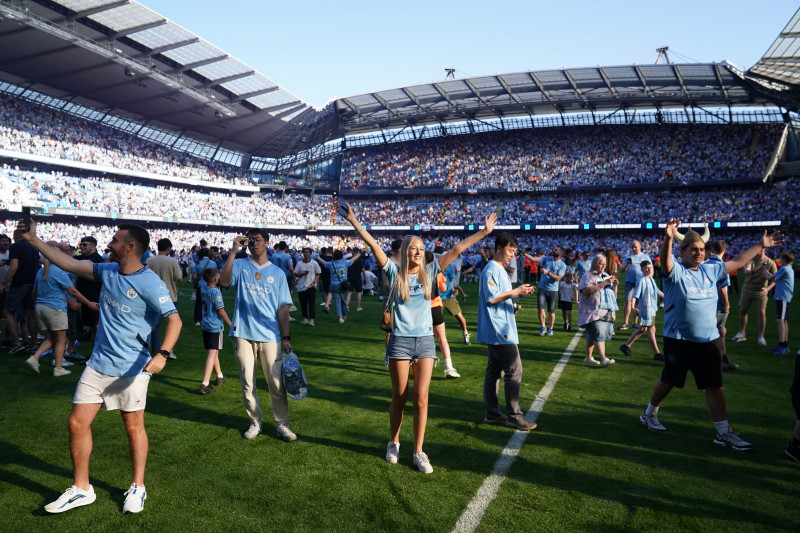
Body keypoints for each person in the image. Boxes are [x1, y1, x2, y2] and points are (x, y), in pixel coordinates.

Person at [21, 220, 181, 514]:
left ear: (130, 247)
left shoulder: (150, 282)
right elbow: (68, 262)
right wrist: (33, 239)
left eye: (116, 240)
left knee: (133, 428)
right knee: (76, 423)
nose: (110, 244)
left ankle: (138, 486)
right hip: (97, 364)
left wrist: (162, 353)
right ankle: (82, 489)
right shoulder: (106, 271)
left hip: (132, 369)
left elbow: (175, 320)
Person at [341, 202, 495, 474]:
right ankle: (394, 442)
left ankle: (418, 452)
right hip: (400, 341)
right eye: (414, 248)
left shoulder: (431, 272)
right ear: (405, 252)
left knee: (421, 399)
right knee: (399, 397)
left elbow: (458, 249)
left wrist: (484, 232)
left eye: (421, 249)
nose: (418, 251)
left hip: (425, 342)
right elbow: (373, 245)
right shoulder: (394, 272)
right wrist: (353, 220)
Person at [639, 219, 781, 452]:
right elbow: (665, 261)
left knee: (715, 385)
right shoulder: (675, 271)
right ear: (682, 251)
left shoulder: (711, 268)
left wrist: (759, 245)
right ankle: (649, 413)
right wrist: (668, 237)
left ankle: (723, 433)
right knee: (669, 380)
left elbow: (737, 261)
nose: (698, 252)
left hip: (709, 340)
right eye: (693, 249)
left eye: (702, 249)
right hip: (680, 339)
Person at [220, 228, 297, 442]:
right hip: (243, 332)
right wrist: (233, 252)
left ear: (267, 243)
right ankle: (255, 422)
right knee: (247, 382)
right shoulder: (240, 264)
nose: (254, 243)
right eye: (250, 240)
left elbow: (283, 308)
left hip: (270, 335)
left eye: (258, 240)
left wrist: (286, 337)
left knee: (276, 382)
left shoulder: (278, 273)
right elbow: (224, 283)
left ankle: (282, 424)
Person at [479, 232, 538, 431]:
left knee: (494, 372)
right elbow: (492, 298)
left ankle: (492, 413)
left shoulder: (501, 270)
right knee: (514, 370)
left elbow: (503, 298)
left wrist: (518, 297)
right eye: (509, 250)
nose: (512, 254)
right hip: (499, 329)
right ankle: (514, 415)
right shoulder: (491, 269)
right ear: (498, 248)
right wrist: (516, 291)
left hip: (501, 326)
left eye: (514, 251)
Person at [24, 244, 98, 376]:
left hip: (41, 307)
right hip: (55, 308)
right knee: (61, 339)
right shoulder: (58, 271)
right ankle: (57, 368)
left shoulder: (40, 271)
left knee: (52, 338)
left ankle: (35, 359)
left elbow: (34, 291)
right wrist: (89, 303)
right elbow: (72, 291)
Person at [1, 228, 41, 353]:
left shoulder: (15, 247)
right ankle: (33, 343)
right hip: (32, 283)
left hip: (19, 283)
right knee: (30, 313)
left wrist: (4, 283)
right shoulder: (33, 247)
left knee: (8, 311)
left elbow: (15, 267)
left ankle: (16, 342)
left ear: (15, 236)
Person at [731, 244, 777, 346]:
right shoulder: (751, 260)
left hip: (761, 289)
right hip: (748, 288)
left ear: (763, 250)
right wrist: (754, 271)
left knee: (761, 313)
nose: (758, 252)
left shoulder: (770, 262)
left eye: (760, 250)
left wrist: (767, 289)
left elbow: (775, 280)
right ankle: (741, 333)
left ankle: (761, 337)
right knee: (743, 310)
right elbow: (746, 271)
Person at [577, 254, 617, 367]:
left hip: (604, 310)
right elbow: (586, 290)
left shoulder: (605, 275)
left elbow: (611, 293)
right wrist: (604, 284)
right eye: (601, 264)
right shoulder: (588, 276)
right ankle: (603, 358)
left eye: (605, 264)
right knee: (598, 333)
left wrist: (614, 285)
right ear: (595, 263)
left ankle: (588, 357)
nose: (603, 267)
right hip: (592, 311)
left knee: (592, 334)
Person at [619, 260, 663, 360]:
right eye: (647, 268)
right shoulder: (641, 280)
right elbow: (635, 295)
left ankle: (626, 346)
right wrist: (633, 307)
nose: (649, 269)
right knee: (651, 329)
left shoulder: (651, 279)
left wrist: (668, 297)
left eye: (650, 267)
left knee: (643, 329)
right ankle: (657, 353)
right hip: (646, 308)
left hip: (651, 308)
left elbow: (657, 291)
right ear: (642, 269)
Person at [146, 238, 182, 357]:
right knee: (172, 325)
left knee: (154, 327)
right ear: (168, 249)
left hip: (152, 296)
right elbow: (179, 279)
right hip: (169, 296)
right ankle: (168, 350)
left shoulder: (149, 261)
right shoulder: (172, 262)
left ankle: (155, 351)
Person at [197, 268, 231, 395]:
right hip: (215, 325)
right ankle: (205, 383)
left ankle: (220, 376)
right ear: (216, 279)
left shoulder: (203, 288)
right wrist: (231, 324)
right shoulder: (215, 292)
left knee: (214, 351)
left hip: (206, 323)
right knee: (212, 352)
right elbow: (221, 311)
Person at [707, 241, 739, 371]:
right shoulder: (722, 266)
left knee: (720, 330)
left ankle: (723, 359)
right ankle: (717, 361)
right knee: (716, 332)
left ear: (712, 250)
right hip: (717, 305)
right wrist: (726, 303)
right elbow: (723, 288)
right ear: (725, 251)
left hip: (706, 304)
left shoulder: (705, 264)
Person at [526, 245, 566, 336]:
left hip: (553, 290)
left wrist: (547, 272)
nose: (553, 250)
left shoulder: (562, 265)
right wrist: (524, 253)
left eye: (556, 249)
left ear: (560, 253)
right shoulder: (546, 259)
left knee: (551, 311)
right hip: (542, 288)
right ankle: (543, 327)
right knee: (541, 308)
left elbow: (558, 278)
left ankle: (550, 328)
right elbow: (533, 259)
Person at [762, 251, 795, 356]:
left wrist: (764, 269)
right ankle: (783, 344)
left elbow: (769, 278)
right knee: (782, 321)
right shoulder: (788, 269)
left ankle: (783, 346)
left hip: (783, 297)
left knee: (781, 321)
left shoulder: (784, 268)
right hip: (783, 297)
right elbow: (775, 278)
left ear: (784, 259)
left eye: (781, 259)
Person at [74, 236, 104, 343]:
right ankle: (93, 354)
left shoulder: (96, 259)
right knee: (92, 325)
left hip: (94, 296)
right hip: (86, 296)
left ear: (93, 246)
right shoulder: (81, 258)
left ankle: (95, 354)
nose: (81, 247)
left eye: (84, 244)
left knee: (96, 324)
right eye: (80, 244)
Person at [619, 240, 651, 330]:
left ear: (640, 246)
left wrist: (648, 279)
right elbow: (621, 270)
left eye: (635, 247)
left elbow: (650, 269)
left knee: (637, 302)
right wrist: (626, 265)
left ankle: (635, 322)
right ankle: (625, 322)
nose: (633, 249)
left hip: (640, 282)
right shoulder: (628, 257)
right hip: (630, 282)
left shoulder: (645, 257)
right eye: (632, 247)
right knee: (628, 301)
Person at [294, 247, 321, 326]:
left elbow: (318, 273)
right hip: (302, 286)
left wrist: (314, 282)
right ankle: (305, 318)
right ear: (302, 253)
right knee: (303, 303)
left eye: (308, 252)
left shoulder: (314, 263)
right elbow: (295, 274)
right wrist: (302, 273)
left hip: (310, 286)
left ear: (310, 254)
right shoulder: (299, 263)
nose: (306, 254)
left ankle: (312, 319)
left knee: (311, 303)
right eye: (305, 252)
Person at [191, 249, 214, 326]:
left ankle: (197, 320)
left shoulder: (198, 263)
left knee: (198, 303)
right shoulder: (213, 263)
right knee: (210, 303)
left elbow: (194, 276)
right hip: (211, 286)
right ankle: (208, 318)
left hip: (200, 286)